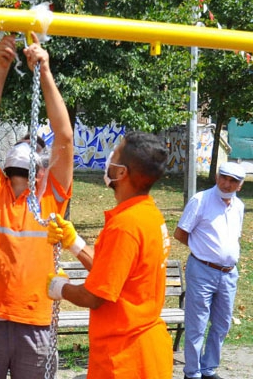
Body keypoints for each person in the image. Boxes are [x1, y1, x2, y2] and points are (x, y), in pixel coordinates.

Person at [0, 34, 76, 378]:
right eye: (24, 143)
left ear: (42, 164)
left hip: (36, 322)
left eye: (36, 145)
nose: (28, 148)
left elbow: (65, 136)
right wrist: (1, 70)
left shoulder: (50, 196)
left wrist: (44, 72)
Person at [45, 132, 174, 379]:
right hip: (145, 350)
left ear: (122, 172)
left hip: (124, 357)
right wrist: (75, 243)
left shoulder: (125, 226)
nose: (109, 159)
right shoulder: (148, 214)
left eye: (114, 155)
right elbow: (114, 274)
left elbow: (94, 297)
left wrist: (59, 287)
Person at [174, 161, 247, 379]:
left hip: (228, 273)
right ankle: (192, 372)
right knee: (197, 323)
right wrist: (202, 250)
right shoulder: (200, 200)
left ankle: (208, 368)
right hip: (202, 270)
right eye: (223, 178)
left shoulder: (239, 206)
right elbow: (180, 233)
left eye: (233, 181)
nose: (226, 183)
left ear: (240, 185)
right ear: (217, 177)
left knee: (222, 323)